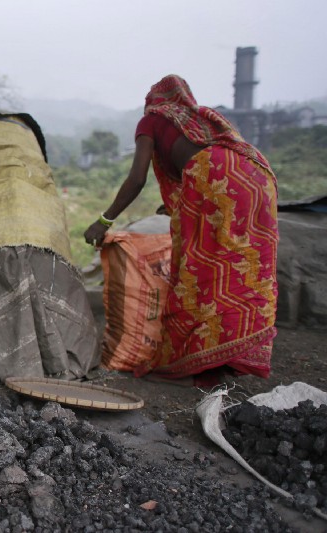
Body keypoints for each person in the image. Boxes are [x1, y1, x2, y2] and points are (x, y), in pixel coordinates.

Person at [84, 74, 278, 387]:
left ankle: (191, 358)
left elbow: (137, 178)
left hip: (213, 175)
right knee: (248, 269)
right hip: (256, 173)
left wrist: (104, 220)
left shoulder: (151, 120)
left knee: (198, 271)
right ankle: (235, 357)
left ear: (154, 102)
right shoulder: (199, 122)